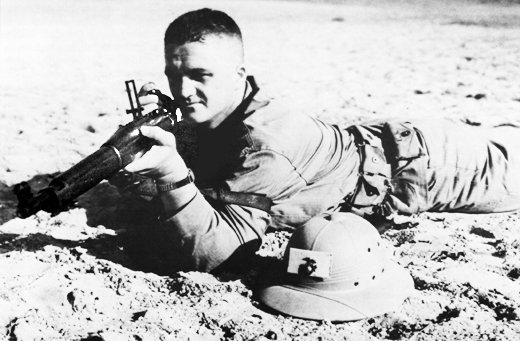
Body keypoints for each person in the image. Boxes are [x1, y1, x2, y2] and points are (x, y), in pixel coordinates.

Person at [123, 8, 520, 273]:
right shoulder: (216, 113)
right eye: (173, 75)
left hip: (429, 165)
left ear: (238, 74)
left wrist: (172, 171)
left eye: (200, 75)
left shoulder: (265, 144)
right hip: (378, 140)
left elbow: (216, 254)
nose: (183, 89)